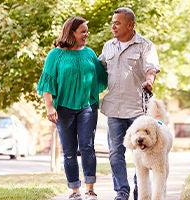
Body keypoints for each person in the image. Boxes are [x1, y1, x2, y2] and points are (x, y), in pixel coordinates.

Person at [37, 16, 107, 200]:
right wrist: (49, 106)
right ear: (72, 32)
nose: (86, 34)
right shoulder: (55, 55)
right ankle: (75, 190)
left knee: (87, 146)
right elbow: (47, 81)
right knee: (69, 151)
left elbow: (103, 75)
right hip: (63, 109)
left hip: (87, 107)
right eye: (83, 31)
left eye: (86, 31)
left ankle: (90, 188)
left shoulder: (89, 53)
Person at [98, 7, 160, 200]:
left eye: (117, 22)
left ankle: (139, 190)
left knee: (141, 153)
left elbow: (151, 68)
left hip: (137, 109)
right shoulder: (109, 46)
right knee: (115, 152)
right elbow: (98, 69)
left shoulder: (145, 45)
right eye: (112, 22)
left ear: (130, 24)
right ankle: (121, 192)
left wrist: (149, 81)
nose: (113, 26)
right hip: (114, 108)